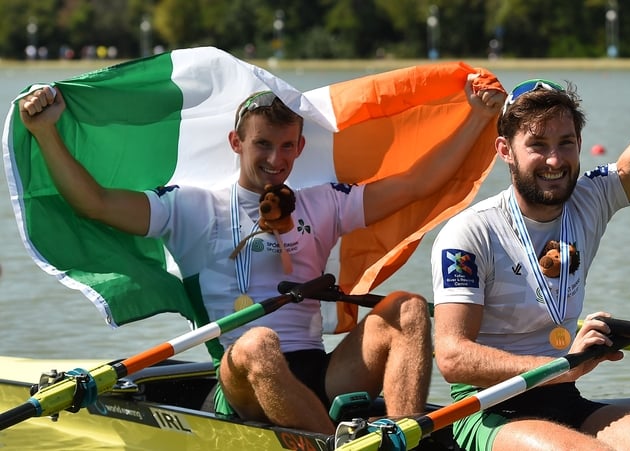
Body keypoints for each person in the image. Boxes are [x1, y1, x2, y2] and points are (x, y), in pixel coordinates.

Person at [19, 76, 504, 433]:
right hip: (241, 380)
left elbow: (420, 182)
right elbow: (95, 203)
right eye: (263, 145)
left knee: (408, 307)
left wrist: (480, 116)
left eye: (287, 147)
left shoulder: (324, 202)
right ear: (237, 143)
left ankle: (403, 435)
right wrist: (45, 131)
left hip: (319, 371)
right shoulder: (190, 207)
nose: (277, 160)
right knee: (258, 341)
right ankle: (330, 444)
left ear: (300, 146)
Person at [430, 1, 630, 450]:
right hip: (488, 408)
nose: (554, 160)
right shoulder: (469, 233)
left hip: (564, 392)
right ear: (505, 150)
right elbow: (452, 357)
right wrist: (565, 362)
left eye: (565, 143)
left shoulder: (591, 198)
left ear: (580, 144)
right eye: (538, 145)